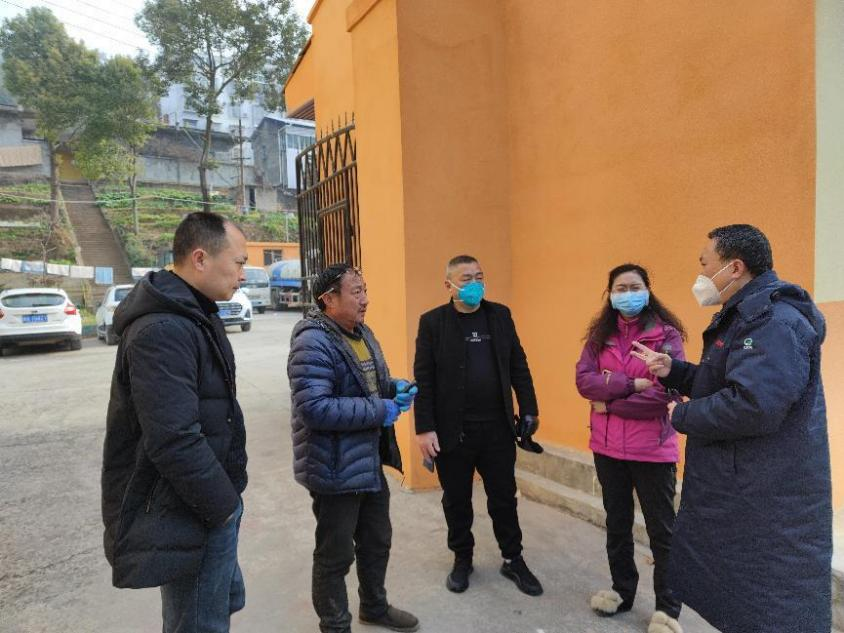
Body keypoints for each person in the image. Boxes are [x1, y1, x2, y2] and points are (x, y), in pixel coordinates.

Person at [632, 224, 832, 633]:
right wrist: (676, 371)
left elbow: (754, 405)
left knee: (766, 607)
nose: (701, 274)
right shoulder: (747, 317)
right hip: (747, 485)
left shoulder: (772, 322)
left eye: (705, 264)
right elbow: (728, 381)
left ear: (735, 267)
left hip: (766, 493)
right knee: (742, 600)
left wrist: (681, 415)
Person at [102, 212, 249, 633]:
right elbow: (174, 439)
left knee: (221, 602)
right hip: (191, 507)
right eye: (238, 262)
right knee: (198, 623)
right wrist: (223, 508)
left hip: (208, 500)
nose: (243, 274)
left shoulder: (196, 313)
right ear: (200, 259)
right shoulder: (163, 329)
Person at [288, 263, 420, 633]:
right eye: (356, 292)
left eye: (365, 290)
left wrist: (395, 387)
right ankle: (335, 625)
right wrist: (381, 410)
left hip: (367, 460)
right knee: (335, 554)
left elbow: (370, 384)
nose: (365, 299)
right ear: (328, 299)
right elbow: (315, 408)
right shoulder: (312, 341)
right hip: (333, 467)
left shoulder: (362, 333)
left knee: (377, 540)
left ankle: (374, 607)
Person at [413, 254, 543, 596]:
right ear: (449, 285)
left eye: (479, 277)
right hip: (453, 431)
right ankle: (462, 557)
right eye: (466, 279)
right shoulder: (433, 323)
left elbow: (518, 365)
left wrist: (529, 409)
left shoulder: (499, 315)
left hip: (498, 429)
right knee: (456, 499)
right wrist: (424, 428)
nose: (475, 284)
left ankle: (513, 558)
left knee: (504, 498)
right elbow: (423, 379)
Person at [575, 263, 686, 633]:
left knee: (662, 531)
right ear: (610, 294)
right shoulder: (599, 336)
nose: (627, 294)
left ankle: (668, 609)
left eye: (634, 286)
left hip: (652, 450)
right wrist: (630, 384)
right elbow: (584, 381)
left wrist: (609, 403)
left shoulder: (665, 336)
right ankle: (622, 591)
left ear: (648, 290)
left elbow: (666, 393)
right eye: (620, 288)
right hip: (607, 449)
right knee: (617, 525)